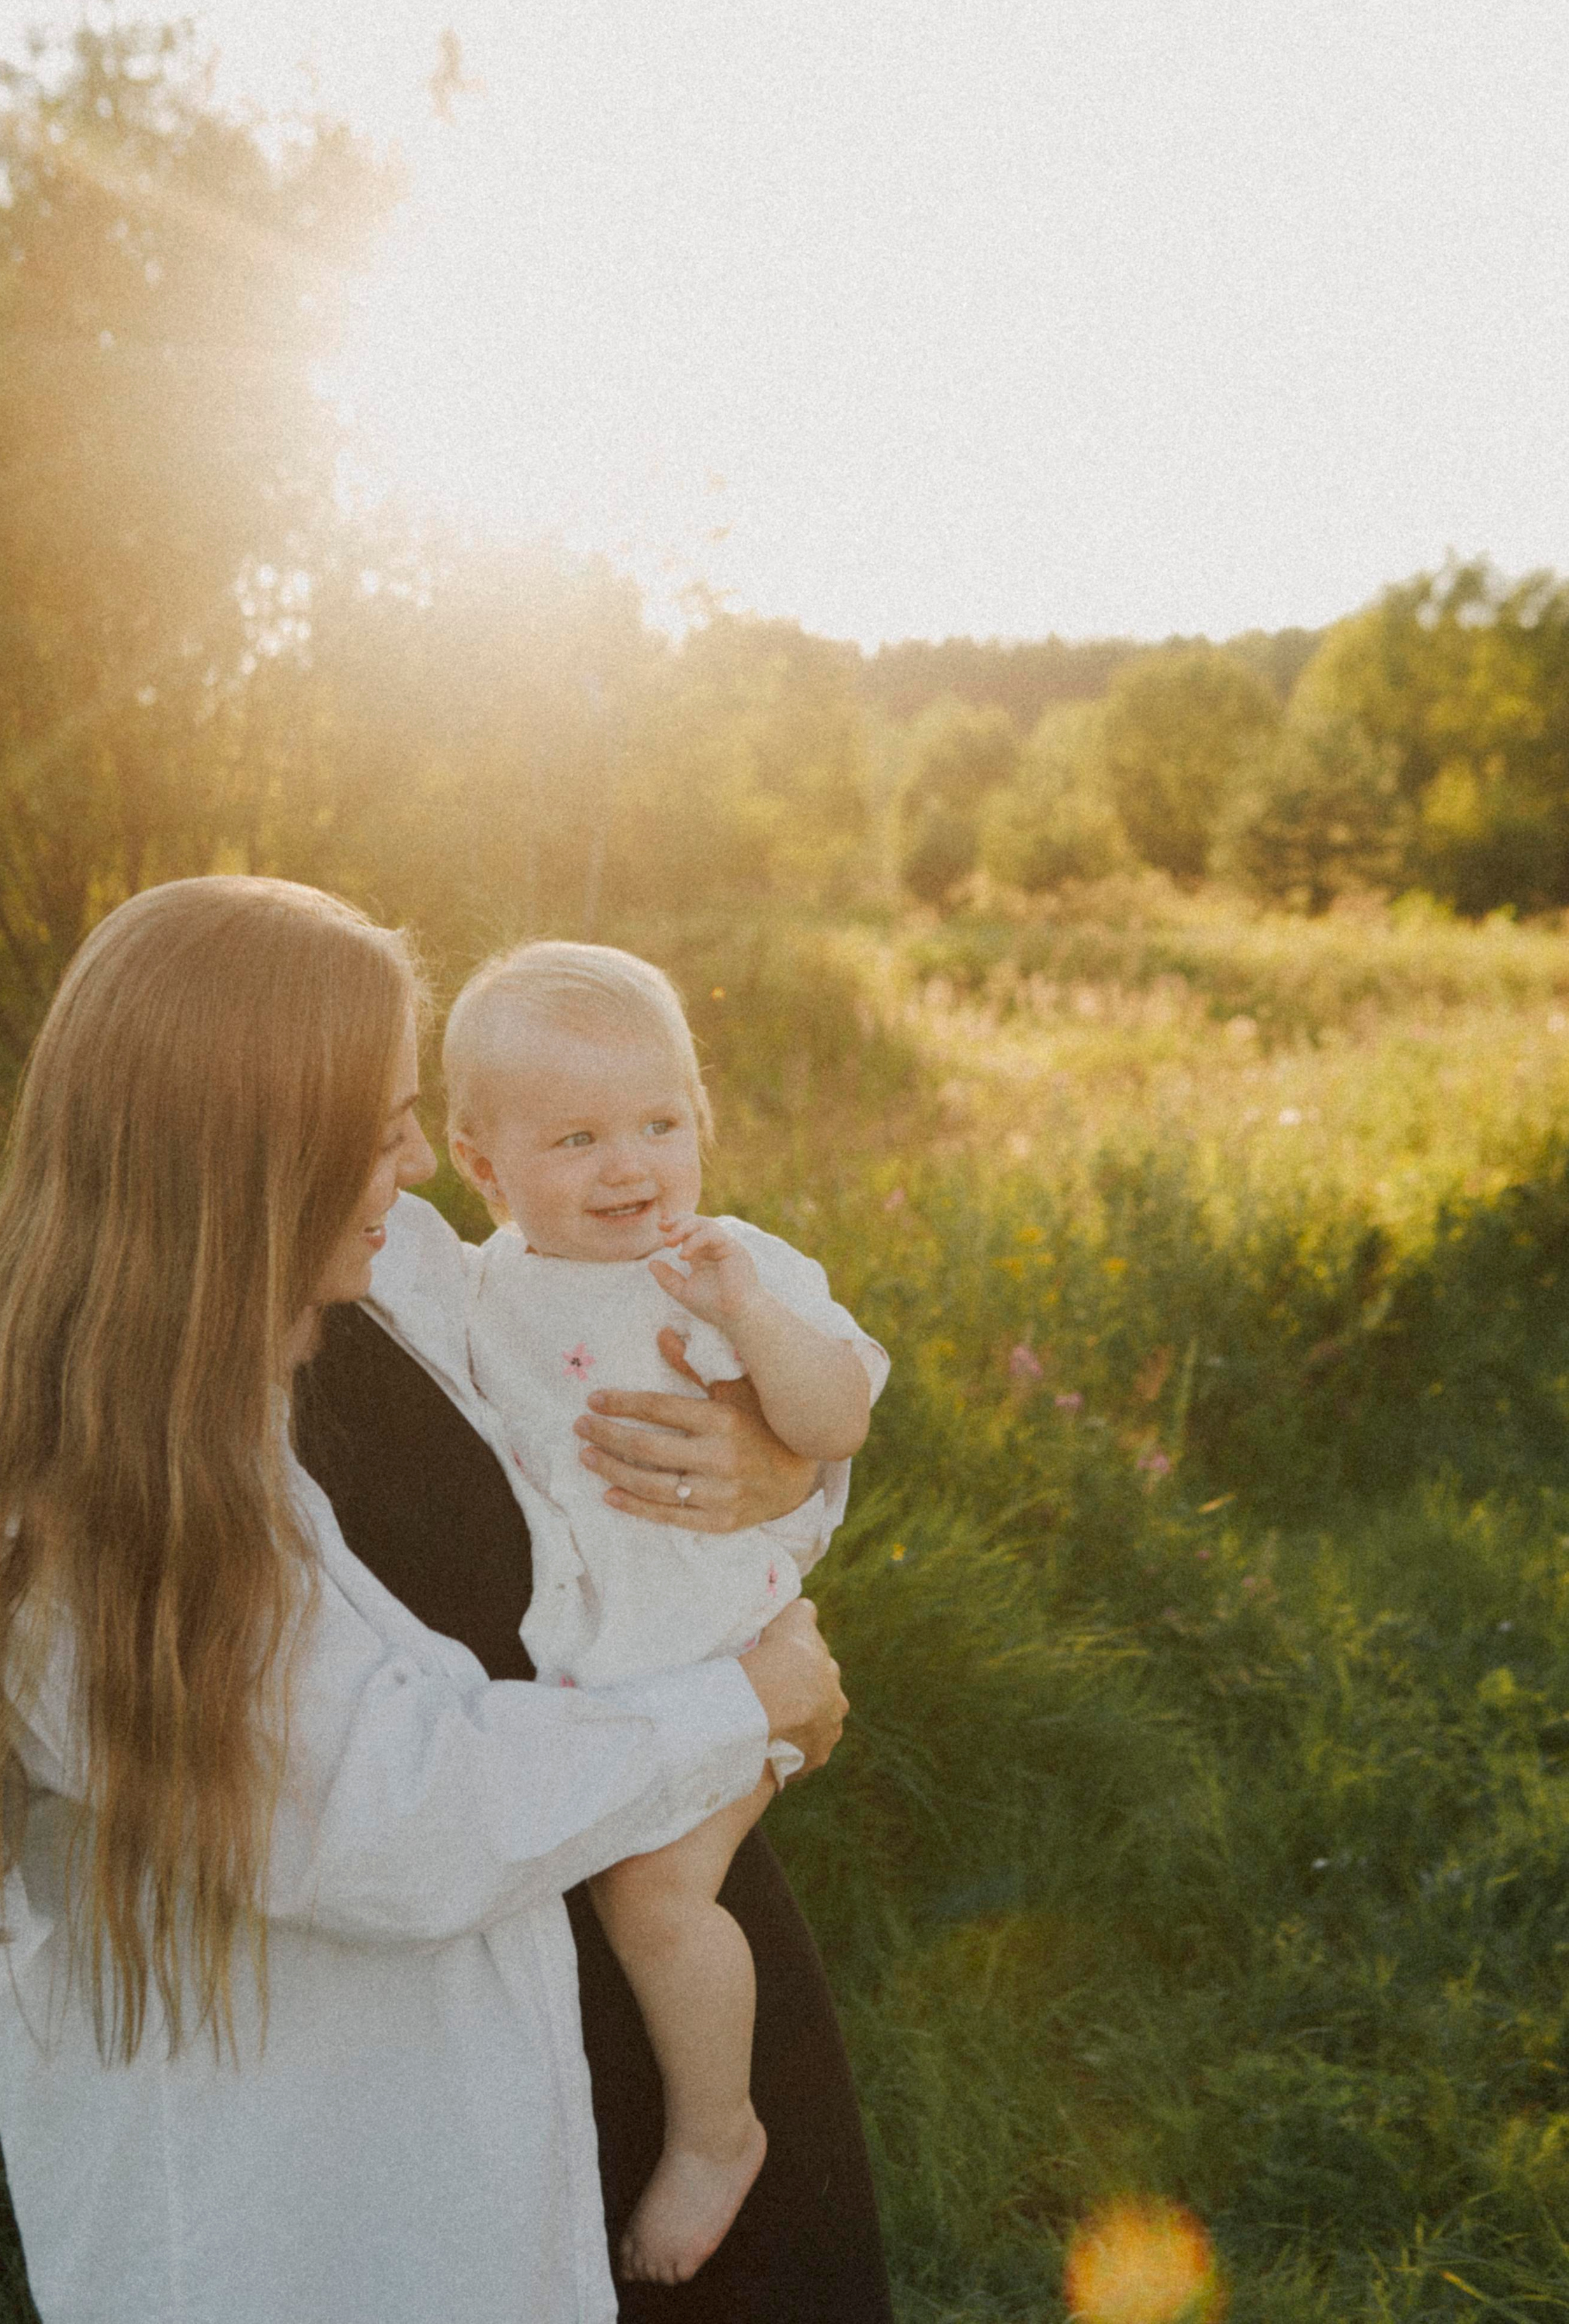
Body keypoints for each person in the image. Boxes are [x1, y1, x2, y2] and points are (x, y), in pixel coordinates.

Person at [0, 875, 847, 2324]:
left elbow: (648, 1415)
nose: (421, 1163)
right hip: (378, 2197)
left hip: (644, 2007)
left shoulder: (395, 1279)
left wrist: (774, 1478)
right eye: (376, 1135)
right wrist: (745, 1704)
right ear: (246, 1162)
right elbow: (387, 1824)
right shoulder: (75, 1504)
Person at [433, 940, 889, 2285]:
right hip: (586, 1688)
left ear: (701, 1120)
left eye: (658, 1124)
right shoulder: (477, 1290)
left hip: (711, 1662)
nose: (629, 1166)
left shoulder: (725, 1266)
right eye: (576, 1138)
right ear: (481, 1166)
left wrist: (750, 1318)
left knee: (653, 1892)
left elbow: (835, 1422)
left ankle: (717, 2129)